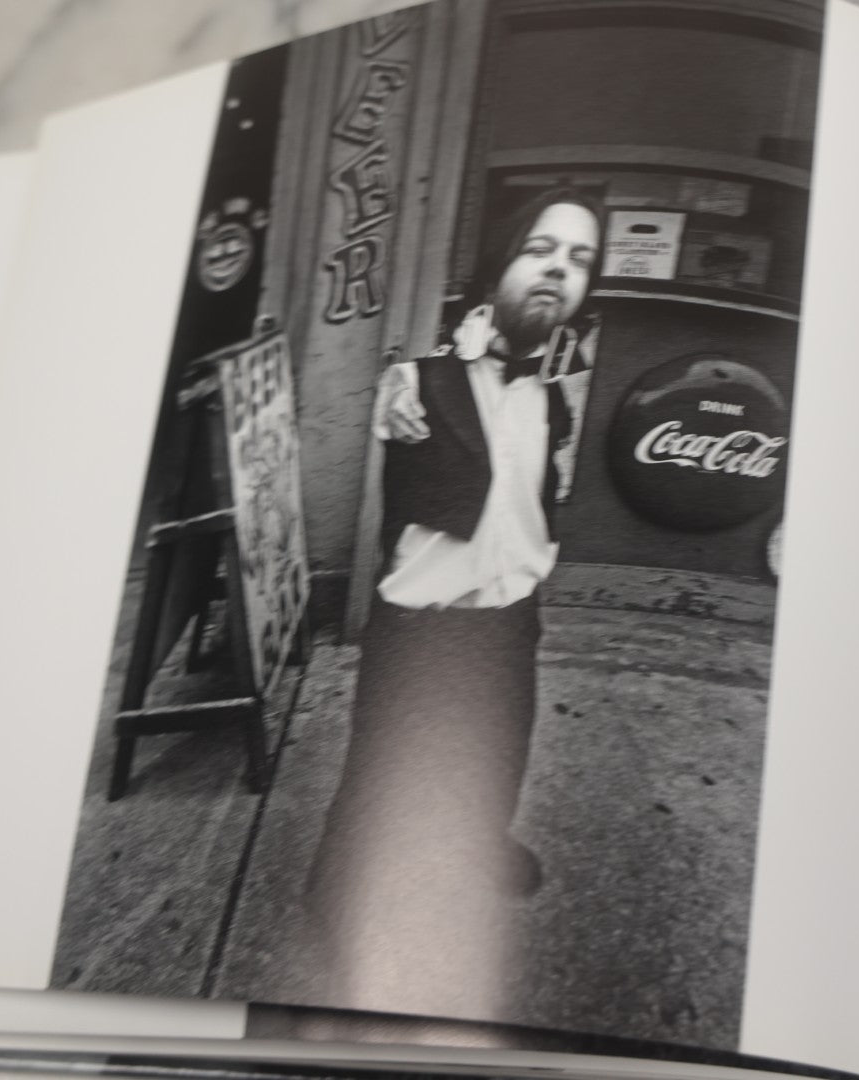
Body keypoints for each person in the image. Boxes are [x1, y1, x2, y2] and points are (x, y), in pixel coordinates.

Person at [304, 188, 603, 1023]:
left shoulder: (557, 391)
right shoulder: (420, 380)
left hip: (510, 615)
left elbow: (538, 485)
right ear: (502, 262)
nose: (558, 269)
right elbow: (409, 404)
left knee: (500, 749)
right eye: (541, 247)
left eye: (579, 260)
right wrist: (405, 380)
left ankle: (476, 845)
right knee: (388, 776)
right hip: (424, 629)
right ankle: (346, 907)